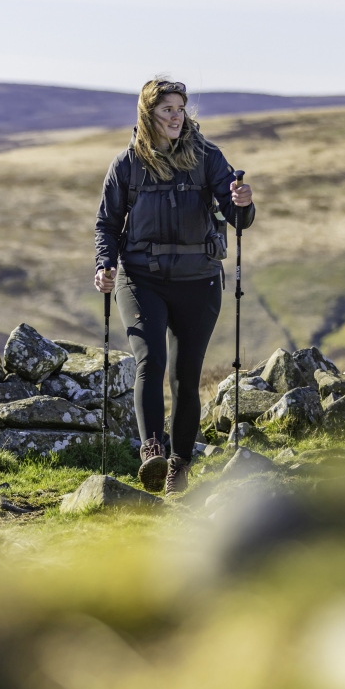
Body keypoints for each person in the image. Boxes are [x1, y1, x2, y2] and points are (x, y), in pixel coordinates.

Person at [94, 78, 254, 494]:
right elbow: (107, 225)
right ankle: (152, 451)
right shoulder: (126, 164)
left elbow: (237, 218)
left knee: (186, 376)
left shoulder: (206, 157)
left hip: (198, 280)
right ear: (148, 114)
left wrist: (243, 202)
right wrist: (104, 265)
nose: (176, 117)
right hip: (140, 278)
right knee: (150, 360)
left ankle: (179, 465)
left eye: (180, 109)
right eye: (168, 110)